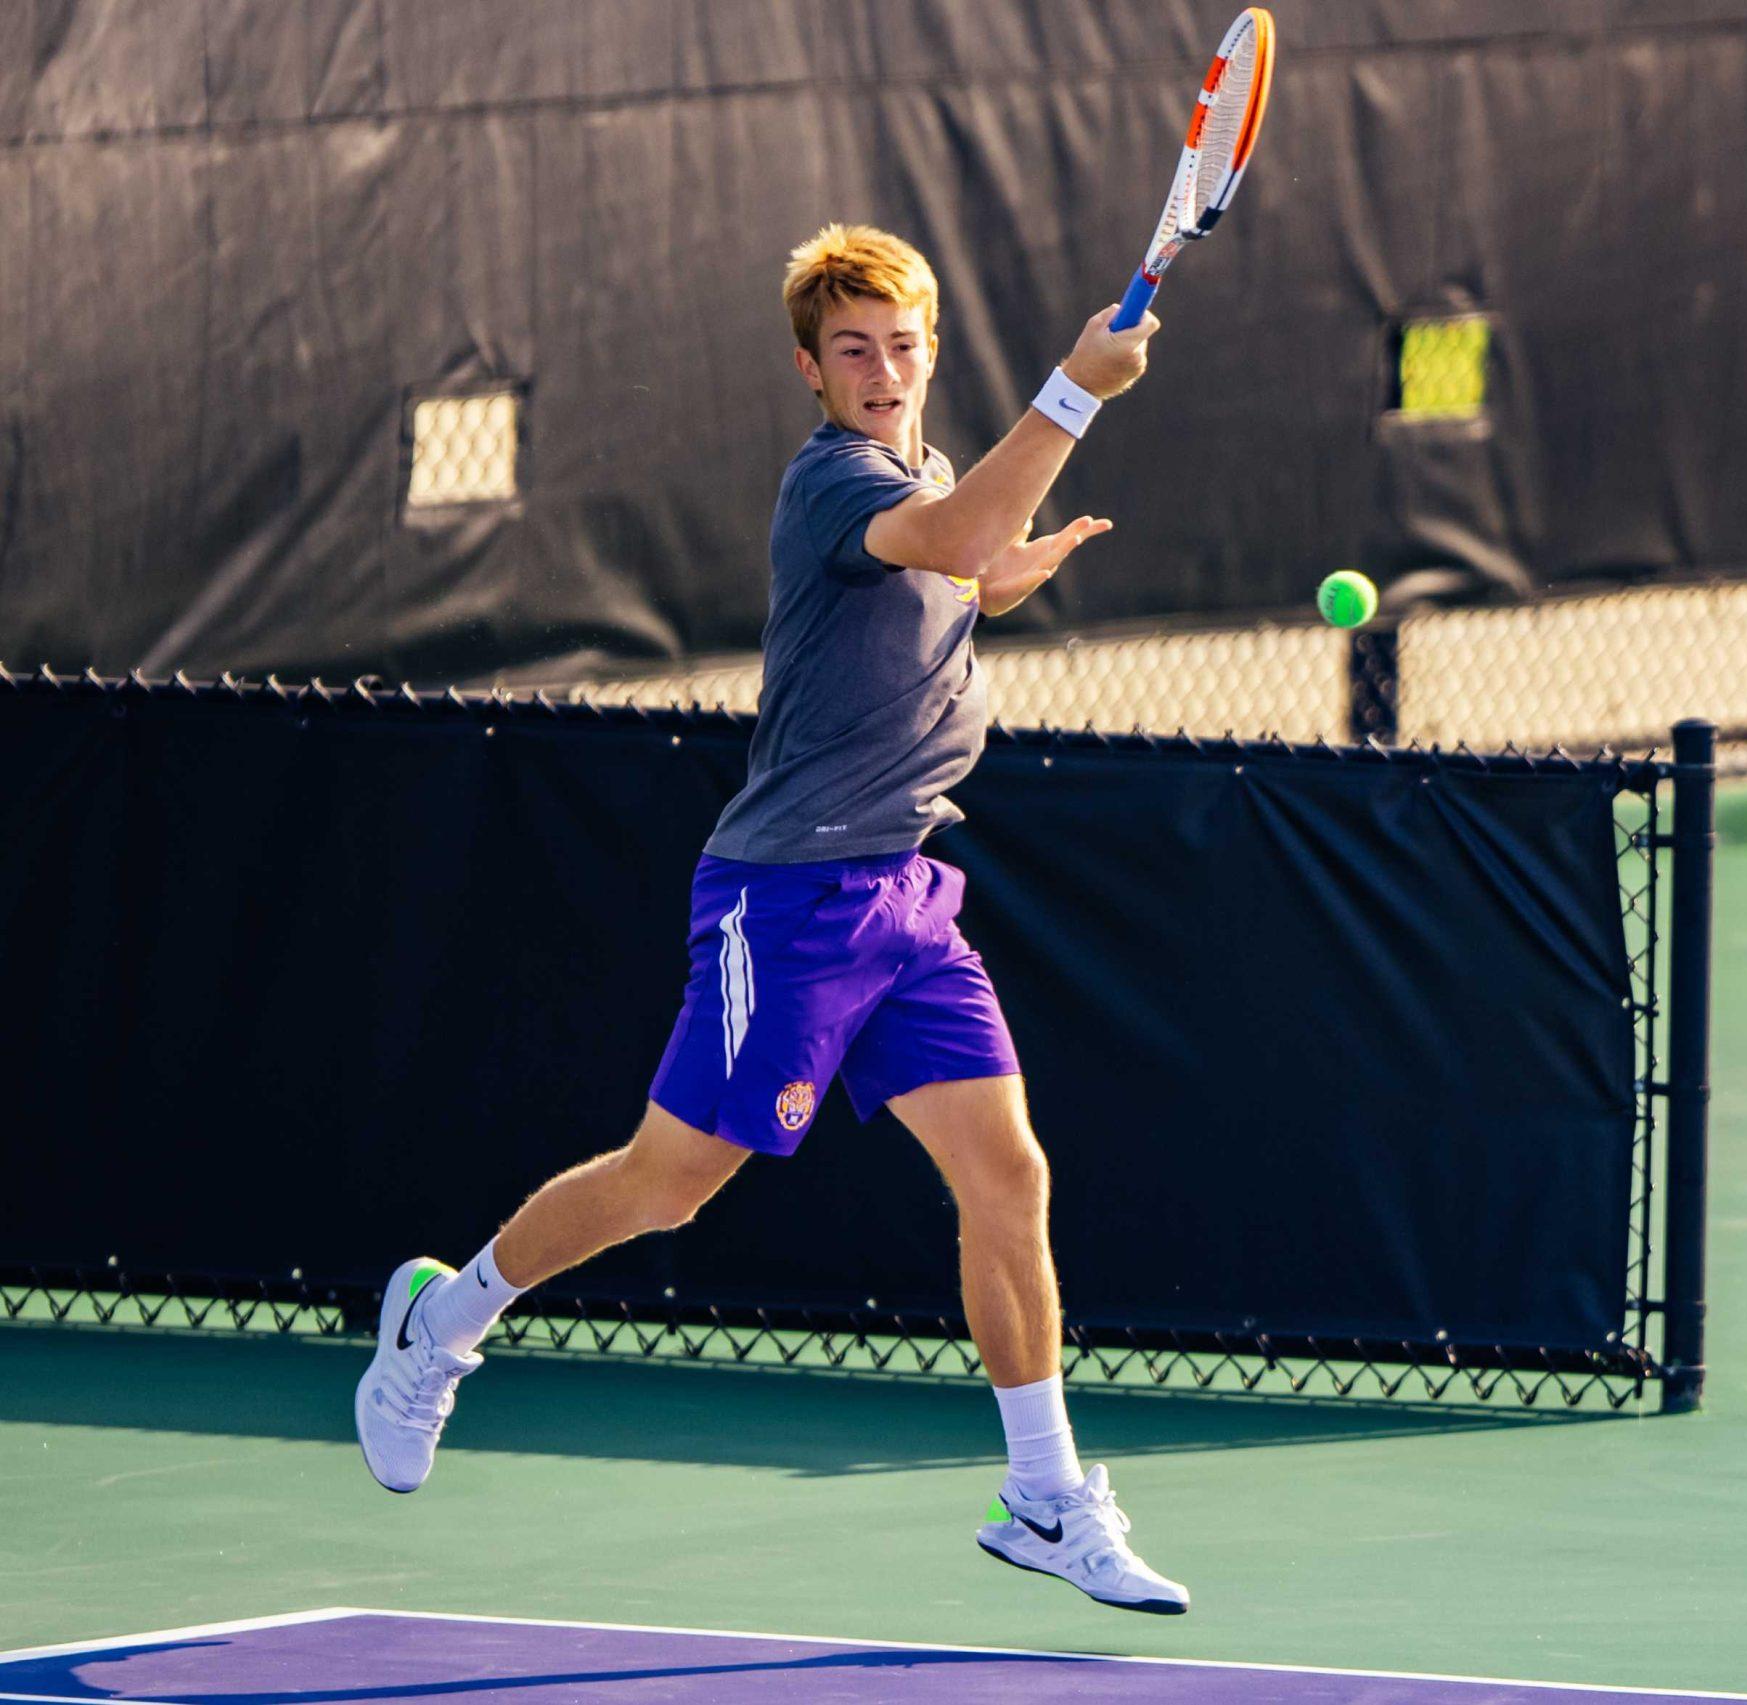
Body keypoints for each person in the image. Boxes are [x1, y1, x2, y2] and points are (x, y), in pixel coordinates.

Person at [354, 223, 1187, 1615]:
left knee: (1009, 1176)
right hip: (787, 903)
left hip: (911, 895)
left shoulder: (922, 469)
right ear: (811, 368)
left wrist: (996, 579)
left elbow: (959, 560)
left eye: (902, 345)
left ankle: (1045, 1493)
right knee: (668, 1181)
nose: (881, 370)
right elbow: (950, 534)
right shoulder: (832, 483)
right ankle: (442, 1320)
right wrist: (1078, 389)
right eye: (851, 349)